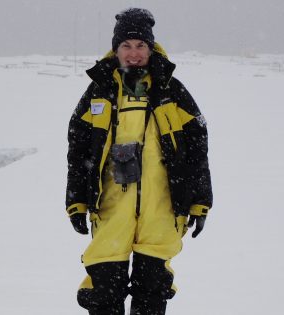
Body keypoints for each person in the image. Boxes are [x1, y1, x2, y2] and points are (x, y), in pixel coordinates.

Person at [65, 8, 213, 315]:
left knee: (152, 290)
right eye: (126, 46)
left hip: (161, 208)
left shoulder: (172, 90)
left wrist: (200, 200)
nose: (133, 54)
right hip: (110, 209)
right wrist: (77, 201)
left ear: (151, 48)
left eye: (140, 46)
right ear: (116, 49)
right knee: (104, 287)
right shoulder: (100, 91)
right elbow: (78, 152)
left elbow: (198, 148)